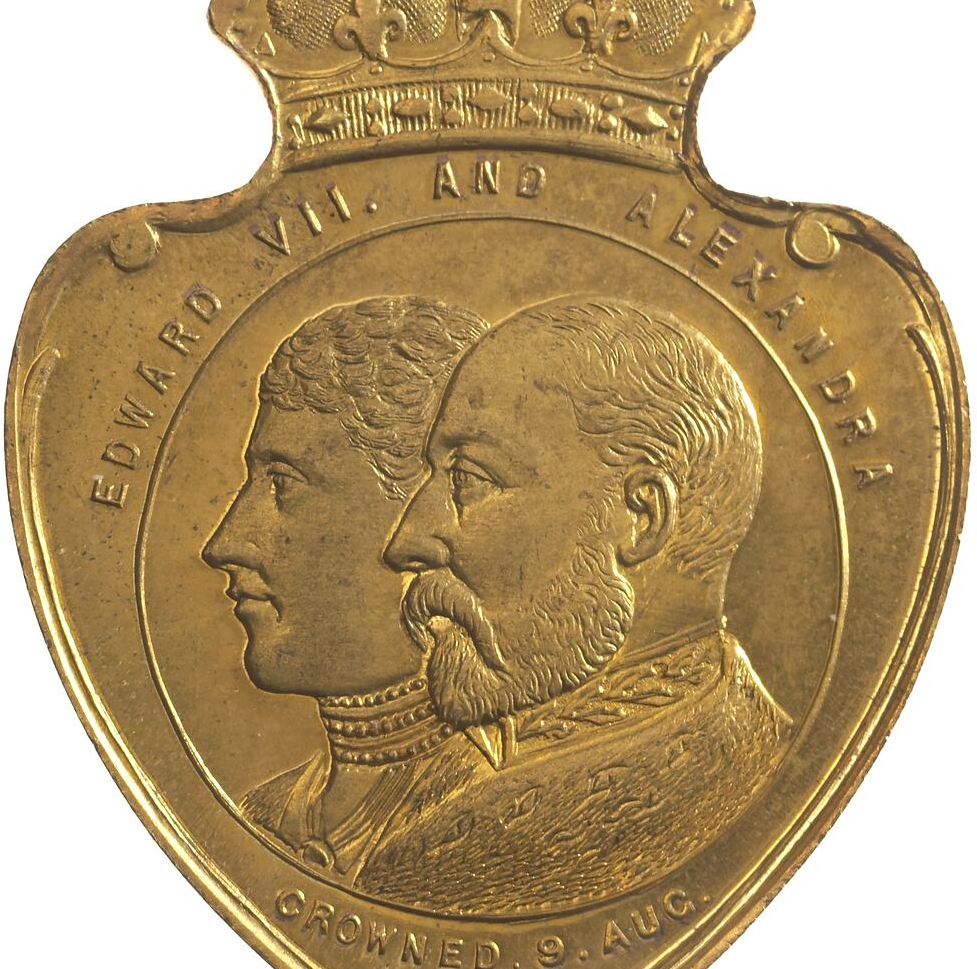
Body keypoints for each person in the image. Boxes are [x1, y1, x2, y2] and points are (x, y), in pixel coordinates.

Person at [354, 296, 793, 914]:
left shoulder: (740, 777)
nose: (405, 542)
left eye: (468, 480)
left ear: (641, 518)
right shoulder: (447, 779)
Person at [201, 295, 485, 869]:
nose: (223, 544)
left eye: (283, 484)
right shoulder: (263, 815)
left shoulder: (505, 812)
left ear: (421, 512)